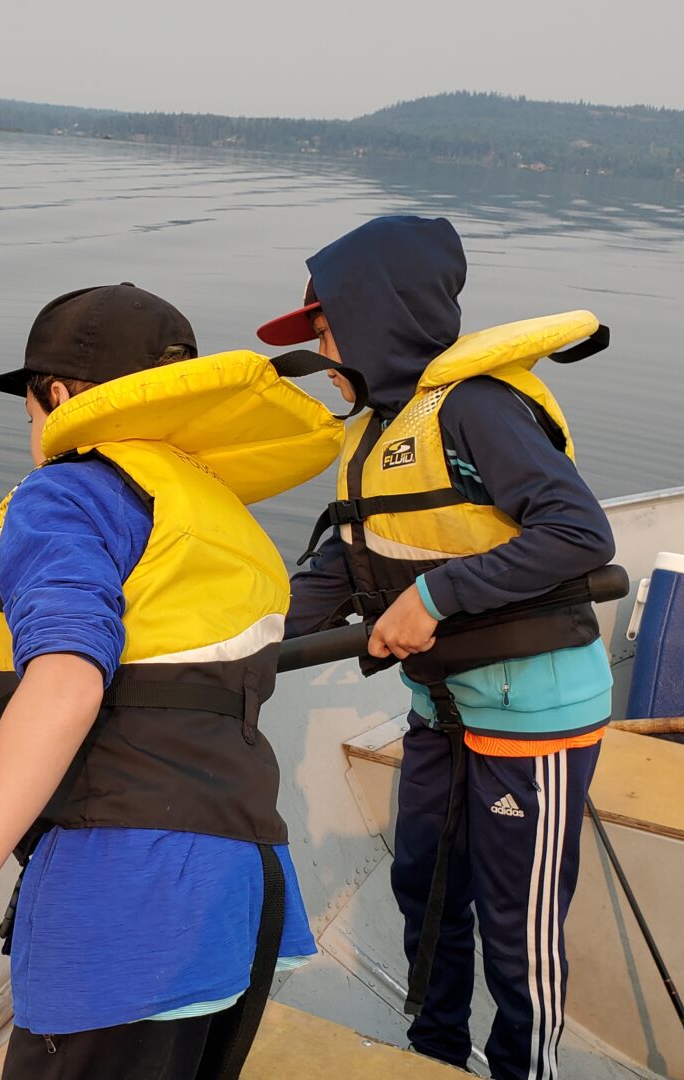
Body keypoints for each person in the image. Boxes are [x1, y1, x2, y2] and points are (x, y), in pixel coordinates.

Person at [0, 284, 343, 1080]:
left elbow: (67, 684)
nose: (33, 436)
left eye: (29, 417)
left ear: (58, 396)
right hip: (243, 897)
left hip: (132, 909)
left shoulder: (66, 493)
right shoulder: (206, 506)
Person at [256, 216, 616, 1080]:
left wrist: (436, 595)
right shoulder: (371, 435)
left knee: (515, 924)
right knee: (424, 887)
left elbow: (579, 532)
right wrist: (240, 646)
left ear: (377, 318)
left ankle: (524, 1069)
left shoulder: (478, 409)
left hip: (534, 719)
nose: (321, 350)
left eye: (325, 328)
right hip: (437, 712)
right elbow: (332, 577)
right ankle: (436, 1055)